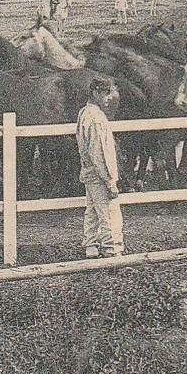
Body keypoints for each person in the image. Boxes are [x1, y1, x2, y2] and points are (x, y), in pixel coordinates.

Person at [76, 78, 124, 259]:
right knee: (109, 213)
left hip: (89, 173)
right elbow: (99, 153)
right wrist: (109, 180)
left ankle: (91, 247)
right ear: (96, 92)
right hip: (99, 174)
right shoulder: (96, 118)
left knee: (93, 212)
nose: (108, 99)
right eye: (105, 94)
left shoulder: (84, 113)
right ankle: (113, 251)